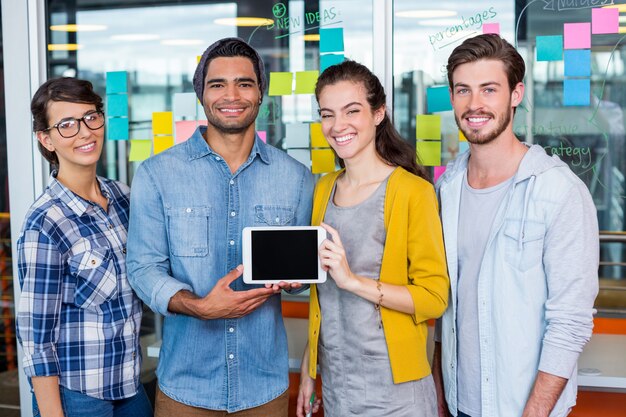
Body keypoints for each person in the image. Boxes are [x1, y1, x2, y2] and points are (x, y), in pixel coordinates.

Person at [126, 37, 314, 417]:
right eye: (217, 84)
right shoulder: (157, 174)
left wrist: (299, 276)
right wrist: (200, 307)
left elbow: (306, 269)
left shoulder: (297, 178)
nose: (232, 95)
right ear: (201, 94)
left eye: (244, 83)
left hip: (264, 387)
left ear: (261, 93)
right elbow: (142, 268)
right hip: (185, 390)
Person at [432, 34, 599, 417]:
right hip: (460, 405)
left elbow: (570, 323)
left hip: (523, 408)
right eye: (463, 90)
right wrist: (441, 393)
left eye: (489, 89)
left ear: (516, 94)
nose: (475, 105)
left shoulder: (559, 192)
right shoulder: (447, 189)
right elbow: (450, 307)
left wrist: (535, 413)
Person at [296, 60, 450, 417]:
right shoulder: (323, 189)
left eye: (352, 111)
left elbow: (433, 298)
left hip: (396, 392)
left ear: (379, 113)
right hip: (337, 387)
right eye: (327, 114)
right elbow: (324, 297)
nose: (338, 126)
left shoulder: (413, 191)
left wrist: (353, 281)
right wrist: (309, 371)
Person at [16, 77, 152, 417]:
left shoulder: (123, 197)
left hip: (131, 387)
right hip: (78, 398)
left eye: (91, 116)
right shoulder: (46, 222)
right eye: (66, 125)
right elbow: (36, 338)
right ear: (45, 139)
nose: (85, 132)